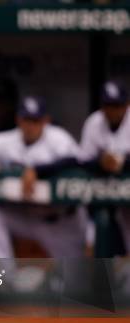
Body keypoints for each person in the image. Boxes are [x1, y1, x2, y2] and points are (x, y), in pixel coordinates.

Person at [0, 96, 83, 258]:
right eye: (26, 120)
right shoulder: (8, 140)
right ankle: (5, 278)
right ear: (18, 120)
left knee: (75, 280)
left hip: (59, 222)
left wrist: (37, 171)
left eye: (35, 120)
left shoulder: (57, 137)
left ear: (45, 121)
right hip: (25, 216)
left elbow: (74, 159)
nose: (30, 126)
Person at [79, 80, 130, 253]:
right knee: (94, 241)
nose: (112, 110)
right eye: (108, 105)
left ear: (126, 104)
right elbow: (83, 160)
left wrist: (122, 162)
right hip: (103, 193)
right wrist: (100, 162)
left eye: (117, 105)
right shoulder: (94, 122)